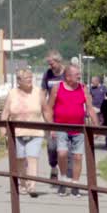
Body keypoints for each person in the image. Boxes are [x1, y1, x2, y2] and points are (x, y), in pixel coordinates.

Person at [44, 63, 99, 197]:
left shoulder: (83, 88)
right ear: (68, 77)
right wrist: (51, 126)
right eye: (76, 74)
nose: (79, 76)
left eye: (79, 74)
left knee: (78, 157)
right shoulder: (57, 88)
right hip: (60, 127)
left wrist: (96, 126)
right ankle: (63, 180)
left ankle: (75, 185)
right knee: (62, 153)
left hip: (79, 128)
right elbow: (49, 108)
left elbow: (90, 108)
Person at [1, 67, 45, 197]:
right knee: (19, 158)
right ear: (19, 81)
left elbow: (46, 109)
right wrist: (3, 129)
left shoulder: (39, 92)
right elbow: (5, 113)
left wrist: (51, 127)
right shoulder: (12, 93)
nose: (30, 81)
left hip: (35, 131)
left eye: (31, 78)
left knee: (32, 158)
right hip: (17, 132)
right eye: (27, 79)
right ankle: (22, 183)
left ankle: (32, 185)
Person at [40, 50, 67, 181]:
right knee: (52, 145)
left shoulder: (67, 73)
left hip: (66, 113)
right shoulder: (47, 74)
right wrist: (42, 107)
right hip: (51, 113)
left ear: (59, 61)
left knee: (66, 144)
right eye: (49, 64)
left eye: (52, 63)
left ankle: (65, 172)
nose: (51, 66)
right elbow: (43, 92)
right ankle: (53, 166)